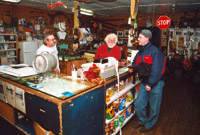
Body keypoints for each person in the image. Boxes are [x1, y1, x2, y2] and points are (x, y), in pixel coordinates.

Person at [129, 29, 165, 133]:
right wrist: (133, 67)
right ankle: (142, 120)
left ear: (147, 38)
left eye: (140, 37)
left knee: (154, 107)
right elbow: (136, 62)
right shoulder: (141, 51)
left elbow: (157, 70)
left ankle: (149, 125)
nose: (138, 39)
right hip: (145, 82)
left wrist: (151, 83)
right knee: (139, 104)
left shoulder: (155, 51)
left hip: (156, 82)